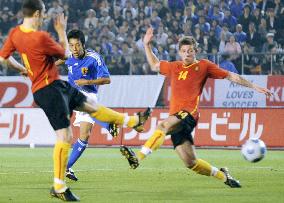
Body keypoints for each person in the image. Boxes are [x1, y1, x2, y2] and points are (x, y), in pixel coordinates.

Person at [0, 0, 151, 201]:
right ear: (36, 14)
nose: (44, 16)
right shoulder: (40, 37)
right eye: (43, 13)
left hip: (58, 86)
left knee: (91, 106)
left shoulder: (14, 34)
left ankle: (133, 121)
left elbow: (3, 58)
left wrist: (22, 69)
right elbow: (64, 53)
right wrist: (61, 31)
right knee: (65, 136)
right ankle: (59, 186)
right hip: (48, 89)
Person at [120, 27, 272, 188]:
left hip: (188, 114)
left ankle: (138, 157)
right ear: (179, 52)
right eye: (184, 51)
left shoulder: (204, 66)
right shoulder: (175, 67)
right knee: (190, 162)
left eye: (190, 50)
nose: (187, 53)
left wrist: (254, 86)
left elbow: (230, 75)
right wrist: (146, 45)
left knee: (162, 125)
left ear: (195, 51)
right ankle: (224, 176)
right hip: (176, 117)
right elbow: (155, 65)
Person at [63, 29, 119, 181]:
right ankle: (108, 124)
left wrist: (87, 81)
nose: (74, 49)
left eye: (77, 45)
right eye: (71, 45)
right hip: (72, 95)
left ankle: (66, 167)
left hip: (88, 94)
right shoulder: (68, 56)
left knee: (84, 136)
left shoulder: (94, 58)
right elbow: (59, 61)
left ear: (83, 44)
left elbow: (107, 79)